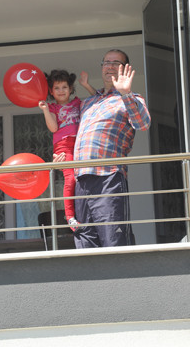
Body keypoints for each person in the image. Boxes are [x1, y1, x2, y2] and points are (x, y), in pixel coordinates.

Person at [72, 49, 151, 248]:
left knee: (113, 240)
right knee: (85, 242)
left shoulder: (131, 98)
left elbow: (143, 124)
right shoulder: (88, 102)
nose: (110, 66)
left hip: (108, 177)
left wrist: (125, 93)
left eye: (116, 63)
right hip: (81, 179)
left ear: (125, 68)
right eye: (107, 62)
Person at [38, 69, 96, 231]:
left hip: (81, 143)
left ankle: (89, 212)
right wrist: (45, 110)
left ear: (70, 89)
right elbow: (53, 128)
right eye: (56, 88)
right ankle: (70, 217)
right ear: (51, 91)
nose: (61, 91)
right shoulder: (52, 107)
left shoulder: (77, 103)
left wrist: (86, 85)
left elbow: (97, 99)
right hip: (63, 146)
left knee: (86, 177)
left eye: (64, 87)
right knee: (70, 179)